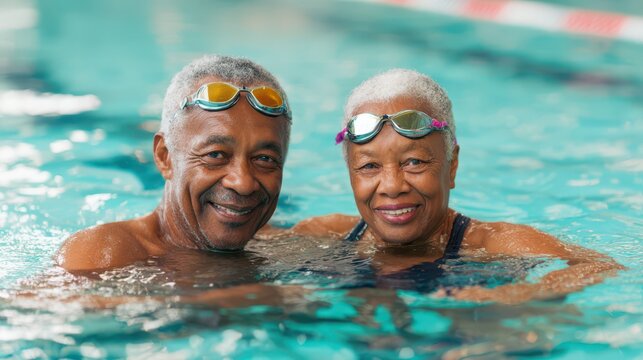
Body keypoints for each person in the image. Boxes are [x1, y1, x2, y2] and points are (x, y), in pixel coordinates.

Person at [291, 69, 623, 303]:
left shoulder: (493, 244)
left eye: (414, 162)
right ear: (350, 173)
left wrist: (521, 294)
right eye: (368, 166)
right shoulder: (324, 234)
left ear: (452, 165)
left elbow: (600, 266)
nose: (391, 186)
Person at [56, 55, 292, 272]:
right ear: (164, 157)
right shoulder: (101, 255)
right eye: (216, 155)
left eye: (264, 159)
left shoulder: (291, 246)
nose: (243, 183)